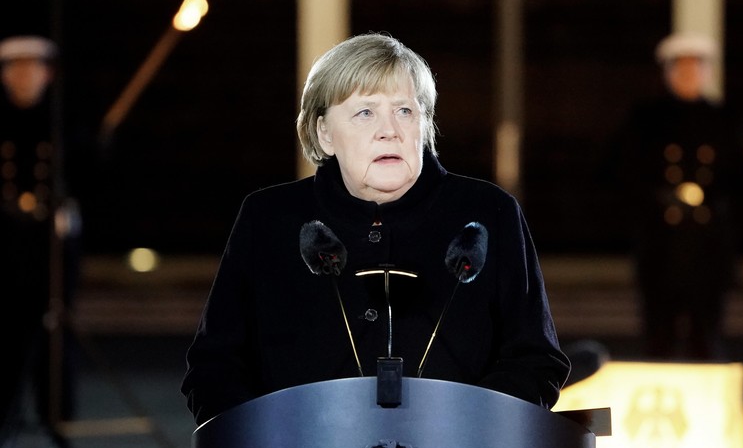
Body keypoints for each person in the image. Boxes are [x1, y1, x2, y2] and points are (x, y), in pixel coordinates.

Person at [181, 33, 570, 425]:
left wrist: (466, 427)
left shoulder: (490, 213)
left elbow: (536, 361)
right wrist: (262, 445)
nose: (390, 131)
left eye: (404, 111)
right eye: (365, 113)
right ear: (323, 133)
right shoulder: (268, 218)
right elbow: (214, 368)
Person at [611, 33, 743, 361]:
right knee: (658, 336)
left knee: (706, 336)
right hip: (661, 245)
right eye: (681, 68)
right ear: (668, 73)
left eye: (695, 67)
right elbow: (624, 171)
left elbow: (740, 180)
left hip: (708, 245)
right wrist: (661, 198)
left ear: (707, 73)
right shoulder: (645, 119)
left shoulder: (725, 119)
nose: (688, 75)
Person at [0, 34, 79, 448]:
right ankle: (6, 427)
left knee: (54, 337)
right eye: (15, 68)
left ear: (47, 73)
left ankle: (57, 429)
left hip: (50, 244)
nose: (24, 76)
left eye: (33, 68)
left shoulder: (61, 121)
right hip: (6, 243)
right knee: (7, 338)